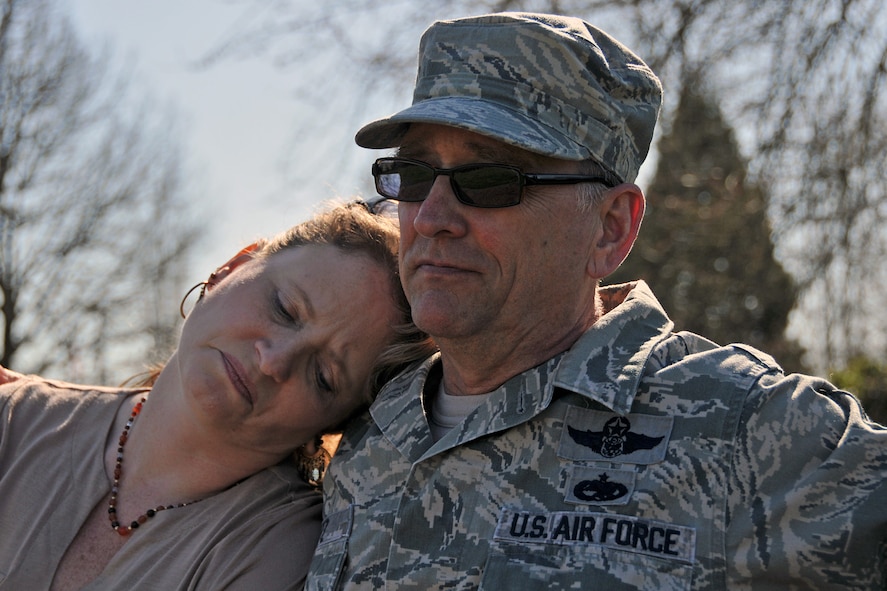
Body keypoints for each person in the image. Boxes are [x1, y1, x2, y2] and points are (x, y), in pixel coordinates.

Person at [306, 13, 887, 590]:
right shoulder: (362, 431)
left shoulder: (742, 427)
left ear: (610, 227)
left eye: (488, 180)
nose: (431, 218)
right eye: (412, 175)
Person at [0, 201, 436, 590]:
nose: (274, 361)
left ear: (333, 422)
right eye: (284, 308)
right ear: (235, 265)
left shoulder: (276, 551)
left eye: (323, 376)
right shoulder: (15, 418)